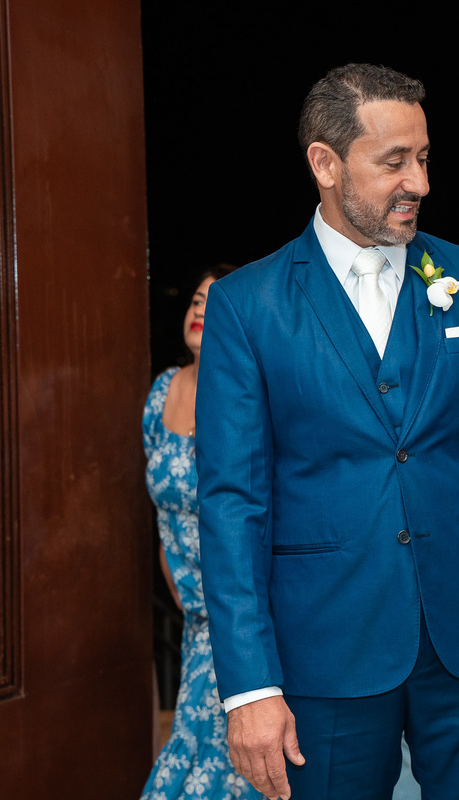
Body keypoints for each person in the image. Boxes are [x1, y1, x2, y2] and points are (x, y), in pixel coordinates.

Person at [195, 63, 459, 800]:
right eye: (394, 161)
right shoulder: (248, 306)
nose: (420, 183)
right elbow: (232, 504)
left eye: (425, 158)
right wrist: (249, 689)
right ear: (325, 163)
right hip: (324, 650)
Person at [140, 266, 255, 800]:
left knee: (217, 757)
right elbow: (161, 503)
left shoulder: (247, 396)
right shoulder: (162, 390)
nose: (199, 309)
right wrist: (172, 576)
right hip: (193, 617)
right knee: (206, 750)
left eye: (215, 301)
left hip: (239, 611)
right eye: (194, 299)